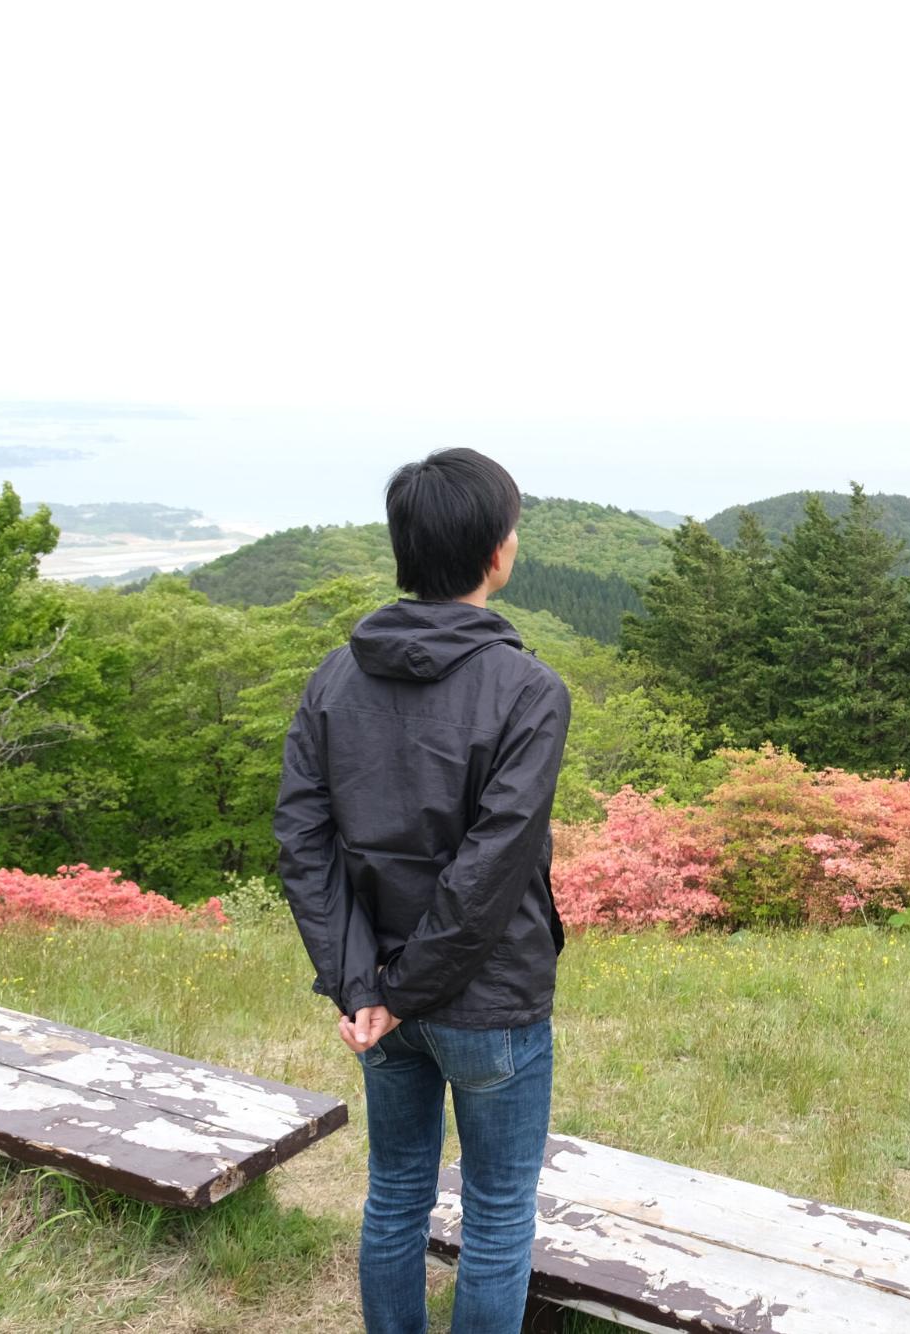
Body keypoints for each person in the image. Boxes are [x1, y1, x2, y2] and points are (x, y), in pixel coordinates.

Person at [275, 447, 571, 1334]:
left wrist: (363, 985)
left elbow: (304, 840)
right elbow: (492, 869)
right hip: (491, 1001)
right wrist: (394, 993)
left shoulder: (335, 678)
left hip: (378, 1001)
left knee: (396, 1193)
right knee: (497, 1214)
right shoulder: (527, 689)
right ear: (497, 553)